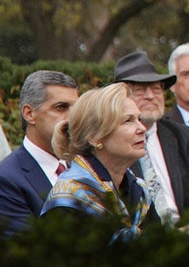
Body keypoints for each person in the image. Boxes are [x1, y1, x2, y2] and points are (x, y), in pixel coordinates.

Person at [112, 50, 189, 235]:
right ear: (120, 99)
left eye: (156, 89)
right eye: (140, 90)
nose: (150, 96)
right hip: (143, 240)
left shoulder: (188, 138)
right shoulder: (110, 146)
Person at [41, 83, 155, 238]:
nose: (142, 128)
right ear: (94, 137)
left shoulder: (139, 192)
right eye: (128, 121)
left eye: (139, 119)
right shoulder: (69, 201)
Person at [0, 70, 79, 234]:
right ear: (29, 113)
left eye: (76, 109)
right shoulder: (6, 179)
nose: (72, 118)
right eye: (60, 107)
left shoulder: (84, 167)